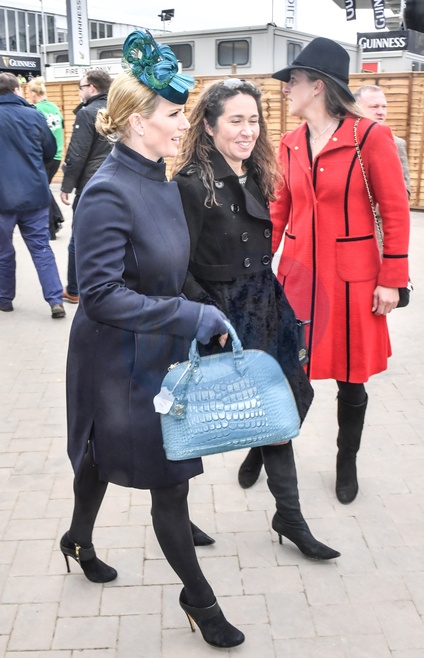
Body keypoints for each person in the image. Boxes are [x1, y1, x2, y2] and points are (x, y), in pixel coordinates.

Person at [62, 31, 244, 649]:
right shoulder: (107, 190)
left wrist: (208, 313)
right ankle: (200, 601)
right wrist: (189, 317)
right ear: (139, 123)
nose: (184, 124)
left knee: (103, 456)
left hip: (158, 346)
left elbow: (170, 271)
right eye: (174, 114)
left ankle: (77, 538)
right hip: (115, 357)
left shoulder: (161, 180)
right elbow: (100, 294)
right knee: (166, 479)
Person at [234, 38, 410, 505]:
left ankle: (346, 460)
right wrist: (254, 268)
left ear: (317, 86)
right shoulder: (290, 143)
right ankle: (262, 446)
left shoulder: (370, 137)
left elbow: (395, 210)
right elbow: (277, 209)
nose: (285, 89)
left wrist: (392, 278)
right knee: (283, 370)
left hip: (354, 281)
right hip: (297, 278)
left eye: (292, 81)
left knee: (351, 379)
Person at [172, 79, 340, 561]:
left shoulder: (257, 172)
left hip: (264, 305)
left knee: (282, 405)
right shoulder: (191, 183)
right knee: (195, 415)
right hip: (219, 315)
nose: (248, 130)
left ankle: (289, 516)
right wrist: (207, 313)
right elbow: (175, 263)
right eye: (236, 120)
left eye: (254, 120)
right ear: (209, 126)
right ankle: (173, 513)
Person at [0, 72, 65, 319]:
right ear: (17, 90)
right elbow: (50, 150)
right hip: (35, 194)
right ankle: (55, 300)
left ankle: (5, 299)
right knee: (41, 248)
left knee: (3, 252)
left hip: (2, 199)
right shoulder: (34, 115)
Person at [60, 69, 113, 304]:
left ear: (91, 88)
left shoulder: (87, 113)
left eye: (81, 87)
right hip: (116, 181)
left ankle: (74, 290)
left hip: (91, 184)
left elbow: (78, 154)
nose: (79, 92)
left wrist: (66, 185)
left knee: (78, 238)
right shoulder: (118, 109)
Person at [353, 84, 411, 197]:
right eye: (374, 107)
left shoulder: (396, 144)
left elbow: (404, 191)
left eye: (384, 107)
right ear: (355, 108)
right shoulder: (341, 139)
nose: (381, 112)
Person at [27, 76, 65, 239]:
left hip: (45, 155)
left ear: (34, 93)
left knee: (42, 190)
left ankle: (52, 227)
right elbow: (61, 125)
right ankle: (56, 218)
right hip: (57, 154)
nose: (28, 95)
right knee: (45, 188)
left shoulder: (36, 110)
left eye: (29, 92)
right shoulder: (54, 107)